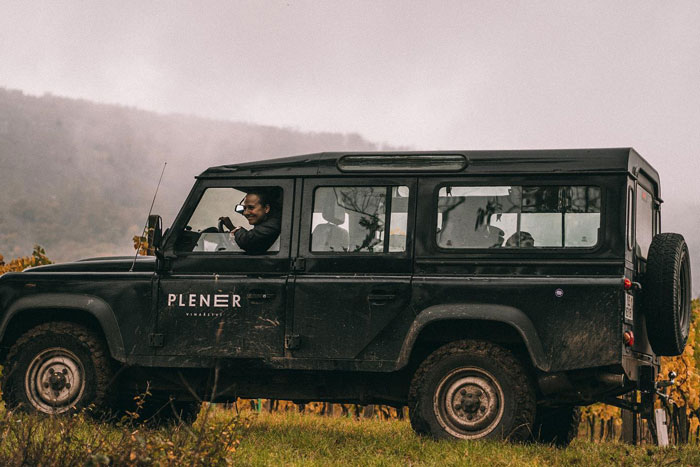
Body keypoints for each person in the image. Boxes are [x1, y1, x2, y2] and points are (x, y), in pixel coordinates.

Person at [219, 189, 281, 254]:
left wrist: (233, 228)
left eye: (251, 208)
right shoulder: (270, 222)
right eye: (244, 208)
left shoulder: (274, 223)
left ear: (266, 208)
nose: (245, 213)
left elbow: (248, 242)